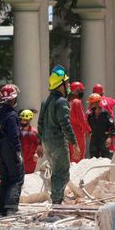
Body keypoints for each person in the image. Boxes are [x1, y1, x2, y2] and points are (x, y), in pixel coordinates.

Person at [38, 65, 80, 204]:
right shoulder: (61, 102)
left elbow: (40, 124)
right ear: (60, 85)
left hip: (47, 142)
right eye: (66, 83)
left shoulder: (46, 101)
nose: (68, 85)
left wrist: (40, 143)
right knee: (61, 173)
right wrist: (74, 144)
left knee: (55, 173)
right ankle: (56, 203)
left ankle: (56, 201)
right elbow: (66, 125)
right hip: (57, 142)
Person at [0, 84, 24, 216]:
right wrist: (18, 152)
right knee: (15, 178)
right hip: (9, 148)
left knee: (4, 178)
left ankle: (1, 209)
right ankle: (11, 209)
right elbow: (14, 135)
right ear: (13, 99)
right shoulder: (12, 115)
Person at [87, 93, 115, 158]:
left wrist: (109, 138)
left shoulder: (105, 114)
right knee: (93, 160)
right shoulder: (90, 115)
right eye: (90, 104)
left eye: (92, 104)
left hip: (104, 141)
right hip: (94, 141)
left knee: (105, 160)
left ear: (97, 103)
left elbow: (112, 127)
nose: (90, 106)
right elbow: (88, 126)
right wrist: (88, 133)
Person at [68, 82, 91, 162]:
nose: (82, 92)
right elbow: (82, 119)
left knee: (71, 157)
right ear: (76, 91)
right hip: (77, 133)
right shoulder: (76, 102)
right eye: (80, 90)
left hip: (68, 132)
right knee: (78, 158)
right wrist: (88, 131)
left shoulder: (68, 102)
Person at [92, 84, 115, 152]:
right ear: (103, 92)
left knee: (99, 148)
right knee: (110, 147)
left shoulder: (94, 102)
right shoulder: (109, 100)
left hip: (99, 128)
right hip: (110, 126)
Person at [19, 109, 42, 174]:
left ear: (29, 120)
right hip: (20, 159)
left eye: (25, 120)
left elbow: (40, 145)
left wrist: (37, 154)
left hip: (30, 161)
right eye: (22, 120)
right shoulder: (18, 131)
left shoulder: (34, 133)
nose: (22, 122)